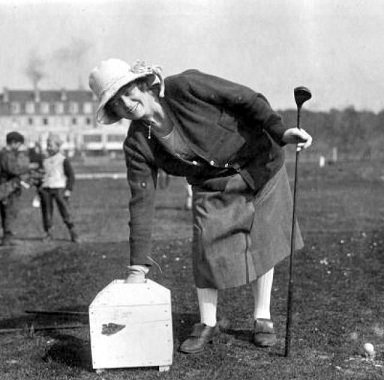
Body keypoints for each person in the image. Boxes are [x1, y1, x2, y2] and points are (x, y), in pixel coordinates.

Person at [89, 58, 313, 354]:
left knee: (264, 240)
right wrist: (137, 267)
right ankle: (207, 322)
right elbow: (141, 201)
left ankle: (262, 317)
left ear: (142, 85)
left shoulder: (185, 87)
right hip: (211, 183)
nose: (127, 104)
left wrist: (280, 131)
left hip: (260, 163)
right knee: (205, 249)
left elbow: (247, 99)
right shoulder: (137, 144)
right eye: (116, 103)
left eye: (128, 92)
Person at [39, 134, 79, 243]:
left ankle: (73, 232)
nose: (48, 147)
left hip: (59, 189)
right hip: (46, 189)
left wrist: (68, 189)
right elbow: (41, 174)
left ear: (57, 146)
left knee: (65, 211)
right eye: (47, 145)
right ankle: (48, 233)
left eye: (51, 145)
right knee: (46, 212)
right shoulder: (44, 160)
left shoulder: (63, 159)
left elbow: (71, 175)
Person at [0, 131, 30, 246]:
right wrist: (25, 169)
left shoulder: (4, 153)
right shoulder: (7, 154)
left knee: (7, 212)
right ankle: (7, 238)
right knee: (10, 211)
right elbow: (13, 169)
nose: (20, 148)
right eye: (19, 144)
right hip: (8, 188)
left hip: (6, 187)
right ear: (13, 143)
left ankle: (6, 237)